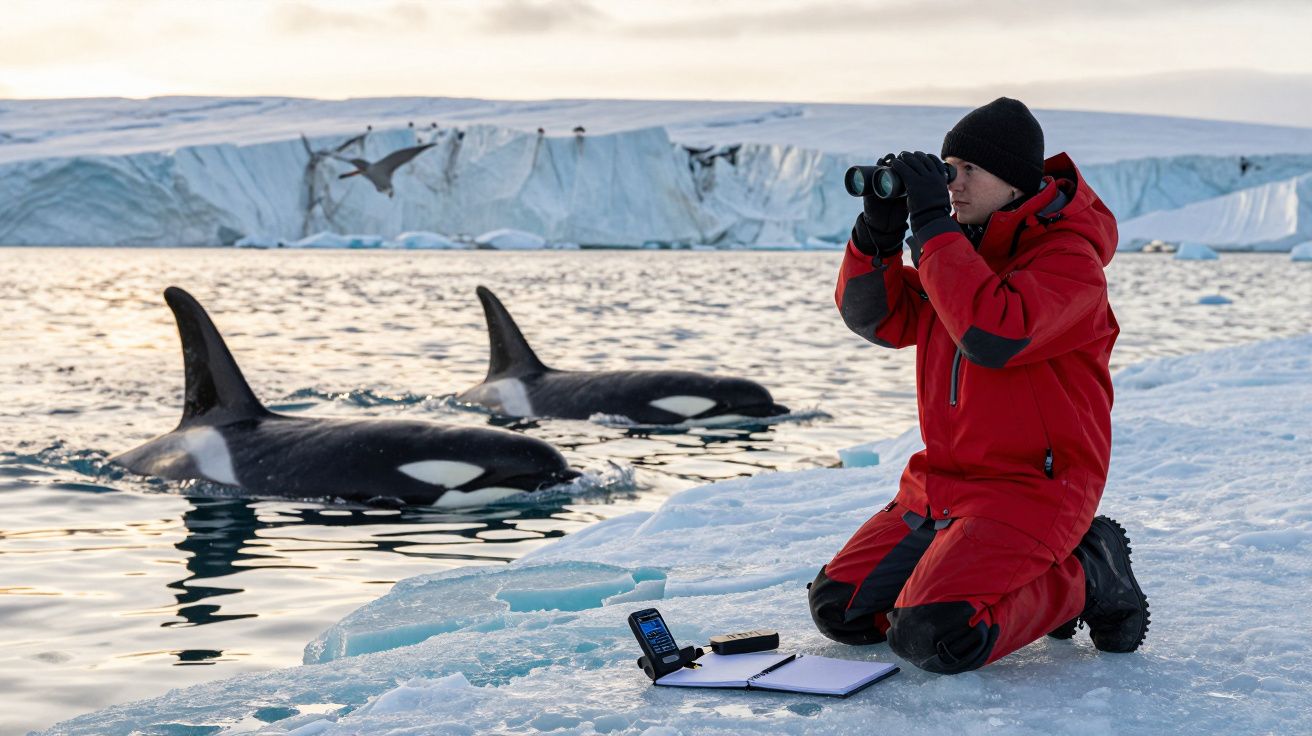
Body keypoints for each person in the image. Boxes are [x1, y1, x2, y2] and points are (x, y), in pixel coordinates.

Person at [808, 97, 1149, 674]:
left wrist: (934, 230)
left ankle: (1086, 570)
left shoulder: (1069, 262)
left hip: (1034, 489)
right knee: (843, 611)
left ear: (1016, 183)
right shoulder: (958, 257)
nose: (954, 186)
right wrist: (878, 238)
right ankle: (992, 569)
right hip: (943, 486)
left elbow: (994, 332)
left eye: (969, 171)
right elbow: (878, 319)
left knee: (936, 637)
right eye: (947, 170)